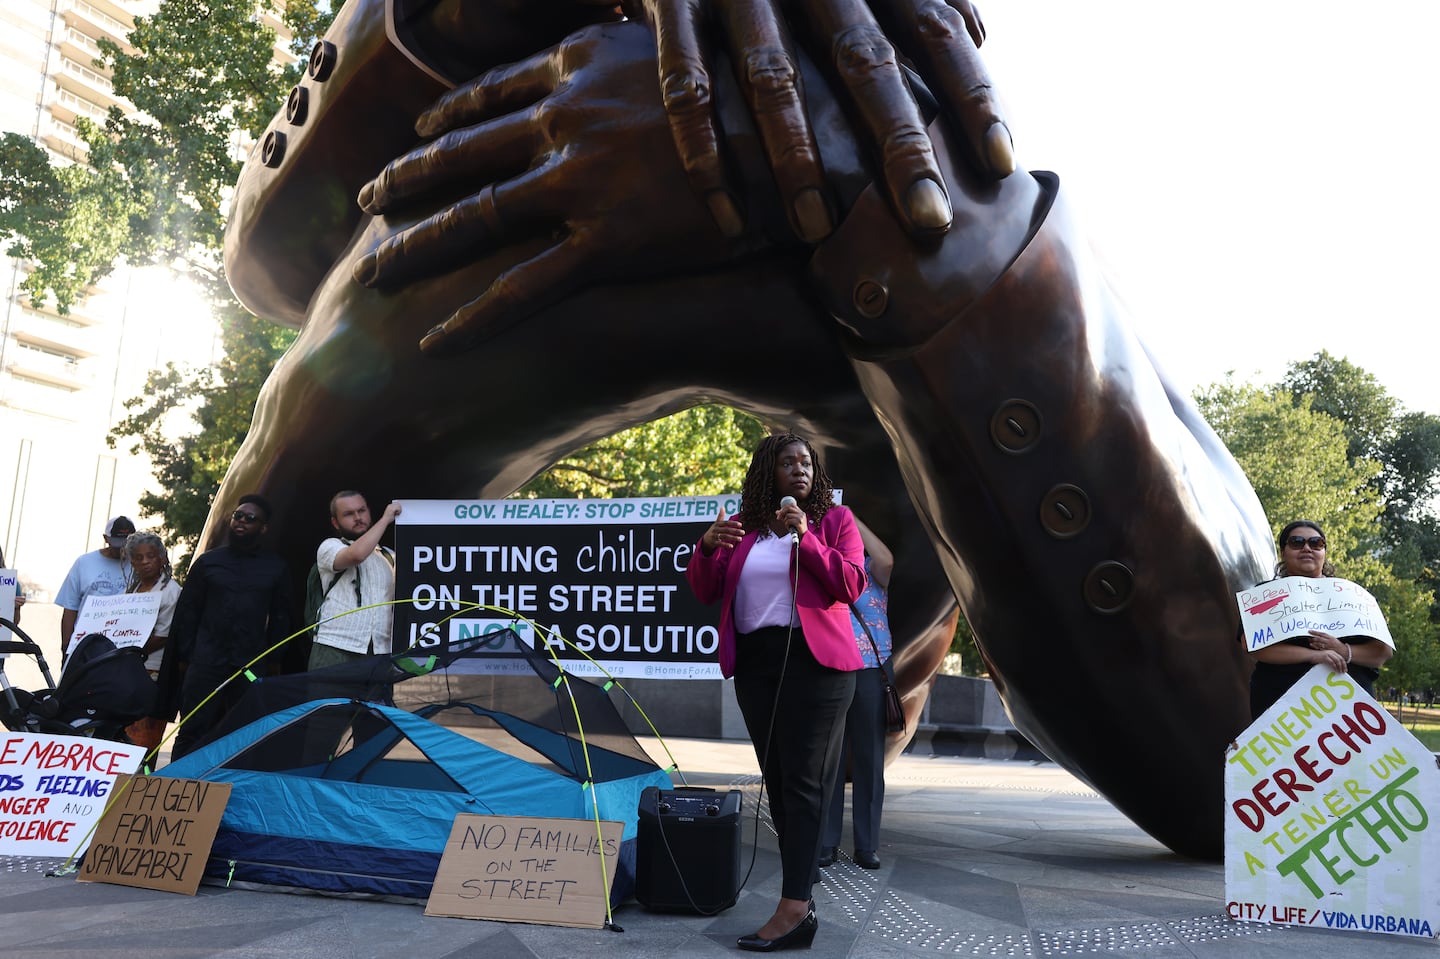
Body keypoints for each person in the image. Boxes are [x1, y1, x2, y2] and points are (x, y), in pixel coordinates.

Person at [210, 4, 1276, 860]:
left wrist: (859, 189)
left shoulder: (882, 119)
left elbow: (1235, 775)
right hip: (541, 182)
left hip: (821, 187)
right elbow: (268, 256)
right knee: (312, 472)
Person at [686, 432, 865, 952]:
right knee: (781, 784)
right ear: (769, 471)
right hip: (759, 665)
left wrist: (806, 538)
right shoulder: (745, 531)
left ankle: (793, 906)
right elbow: (704, 590)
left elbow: (850, 584)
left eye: (806, 462)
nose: (799, 469)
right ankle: (800, 905)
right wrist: (705, 547)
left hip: (818, 665)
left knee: (806, 784)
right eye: (788, 462)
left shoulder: (834, 522)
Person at [160, 494, 292, 758]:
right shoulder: (208, 563)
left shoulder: (275, 567)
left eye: (250, 518)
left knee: (243, 731)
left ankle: (230, 790)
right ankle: (178, 787)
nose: (241, 521)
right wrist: (187, 656)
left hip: (249, 665)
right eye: (237, 516)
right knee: (192, 729)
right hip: (206, 663)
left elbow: (281, 617)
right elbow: (188, 614)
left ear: (263, 527)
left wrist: (273, 660)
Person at [1247, 520, 1393, 718]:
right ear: (1283, 552)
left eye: (1316, 543)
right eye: (1297, 542)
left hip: (1348, 715)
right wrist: (1313, 656)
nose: (1307, 548)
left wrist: (1343, 650)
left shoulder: (1355, 595)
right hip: (1281, 714)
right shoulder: (1264, 595)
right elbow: (1253, 645)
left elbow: (1382, 653)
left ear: (1324, 552)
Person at [819, 517, 893, 871]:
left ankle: (867, 845)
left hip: (868, 670)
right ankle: (826, 842)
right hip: (830, 668)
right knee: (828, 759)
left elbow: (888, 560)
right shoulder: (823, 565)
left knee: (869, 758)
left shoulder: (869, 569)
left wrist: (849, 515)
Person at [309, 491, 402, 669]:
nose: (358, 517)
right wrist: (385, 519)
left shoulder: (390, 556)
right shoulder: (330, 546)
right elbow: (356, 555)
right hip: (335, 647)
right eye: (349, 514)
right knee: (329, 699)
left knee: (375, 699)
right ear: (335, 522)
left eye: (362, 510)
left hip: (379, 651)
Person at [121, 531, 181, 754]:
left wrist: (127, 650)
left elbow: (163, 636)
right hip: (128, 672)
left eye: (151, 556)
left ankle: (139, 785)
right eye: (138, 557)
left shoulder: (171, 592)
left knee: (142, 743)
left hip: (152, 674)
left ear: (163, 558)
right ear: (131, 561)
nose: (144, 562)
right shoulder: (132, 590)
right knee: (123, 738)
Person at [56, 515, 135, 661]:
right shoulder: (83, 563)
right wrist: (66, 648)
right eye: (118, 544)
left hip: (125, 647)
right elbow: (70, 609)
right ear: (106, 539)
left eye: (128, 543)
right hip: (86, 646)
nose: (123, 549)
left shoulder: (139, 564)